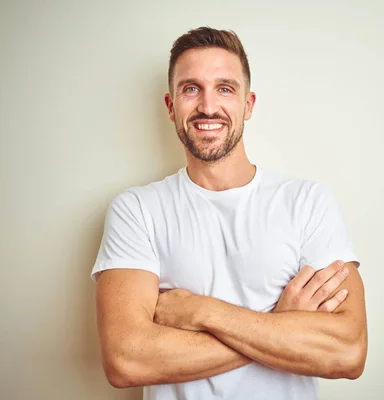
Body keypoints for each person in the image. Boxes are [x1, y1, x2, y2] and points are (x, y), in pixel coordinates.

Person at [91, 27, 368, 400]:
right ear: (171, 106)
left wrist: (201, 311)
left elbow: (347, 352)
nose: (208, 106)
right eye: (191, 88)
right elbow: (126, 360)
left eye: (225, 88)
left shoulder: (307, 202)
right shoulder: (137, 210)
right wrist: (280, 326)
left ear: (248, 104)